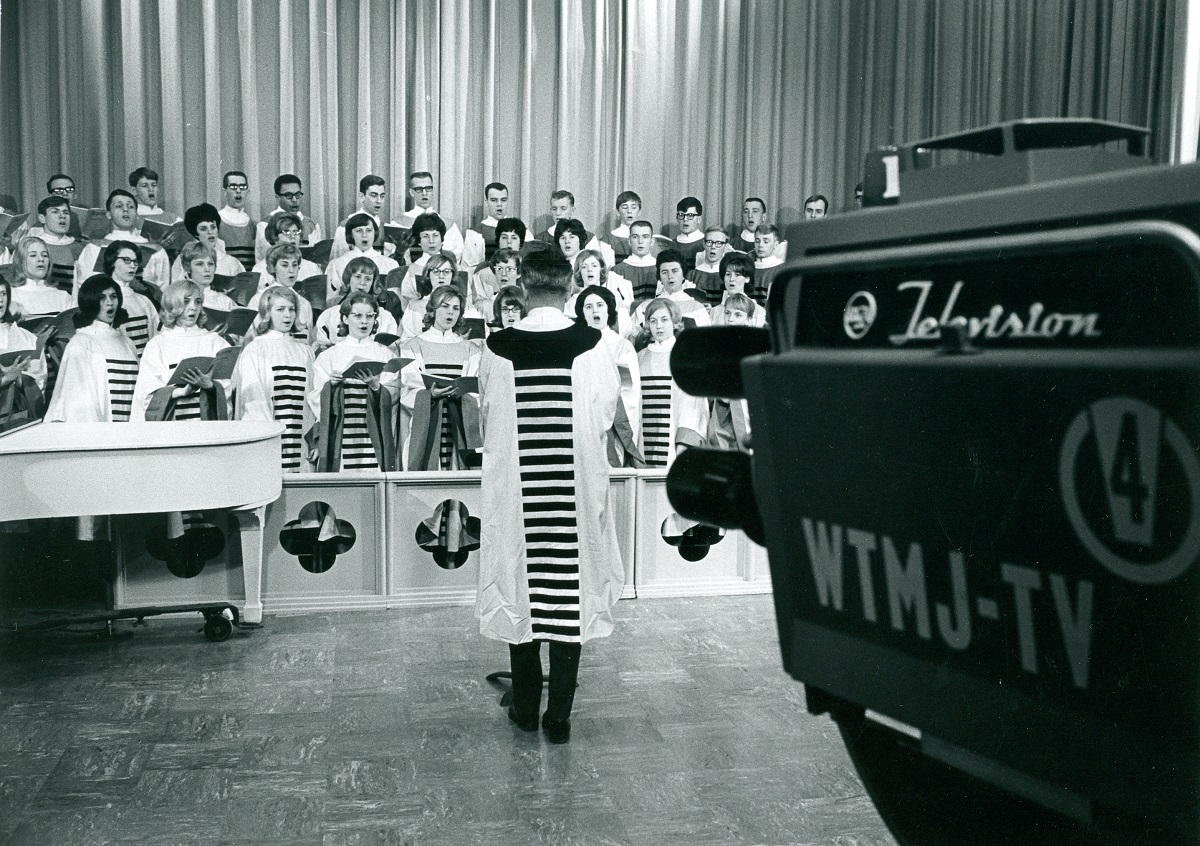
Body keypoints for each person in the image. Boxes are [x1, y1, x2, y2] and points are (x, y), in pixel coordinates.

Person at [476, 249, 623, 744]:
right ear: (568, 288)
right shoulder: (596, 342)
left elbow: (489, 416)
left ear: (523, 285)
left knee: (522, 593)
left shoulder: (497, 345)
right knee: (569, 594)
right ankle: (558, 716)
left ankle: (525, 709)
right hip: (572, 492)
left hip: (520, 493)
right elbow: (604, 415)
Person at [308, 292, 399, 472]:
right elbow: (315, 397)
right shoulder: (329, 355)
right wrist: (331, 387)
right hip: (342, 434)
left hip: (372, 436)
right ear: (345, 318)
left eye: (369, 316)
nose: (364, 322)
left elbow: (394, 393)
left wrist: (376, 387)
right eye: (357, 315)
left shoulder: (385, 354)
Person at [398, 285, 482, 471]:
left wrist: (463, 392)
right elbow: (409, 388)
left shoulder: (471, 349)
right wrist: (429, 394)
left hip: (458, 423)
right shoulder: (412, 346)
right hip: (428, 422)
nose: (450, 313)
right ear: (433, 309)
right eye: (445, 306)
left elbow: (475, 390)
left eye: (456, 308)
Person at [232, 286, 315, 472]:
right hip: (270, 445)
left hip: (301, 444)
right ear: (267, 312)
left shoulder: (305, 351)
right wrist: (270, 439)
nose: (288, 315)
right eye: (280, 309)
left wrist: (314, 440)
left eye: (292, 309)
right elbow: (253, 402)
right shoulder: (255, 350)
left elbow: (312, 399)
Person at [45, 274, 139, 424]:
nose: (110, 303)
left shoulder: (127, 343)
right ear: (90, 302)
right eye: (102, 298)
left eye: (113, 296)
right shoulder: (81, 343)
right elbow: (79, 405)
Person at [132, 280, 230, 422]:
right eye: (186, 301)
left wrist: (210, 386)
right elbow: (146, 393)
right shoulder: (158, 345)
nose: (193, 307)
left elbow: (229, 386)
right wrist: (179, 392)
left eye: (198, 301)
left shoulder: (216, 342)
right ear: (172, 305)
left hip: (206, 426)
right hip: (171, 427)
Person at [636, 297, 709, 468]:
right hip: (643, 442)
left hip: (675, 446)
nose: (658, 326)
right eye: (653, 321)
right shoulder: (639, 358)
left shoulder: (686, 357)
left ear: (675, 322)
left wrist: (683, 444)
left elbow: (693, 406)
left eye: (664, 319)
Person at [574, 284, 641, 467]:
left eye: (600, 305)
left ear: (609, 310)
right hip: (582, 422)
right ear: (582, 313)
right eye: (588, 307)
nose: (594, 310)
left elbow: (629, 392)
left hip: (612, 425)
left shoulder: (622, 346)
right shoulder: (576, 346)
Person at [74, 190, 171, 299]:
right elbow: (84, 286)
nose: (125, 209)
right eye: (119, 206)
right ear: (109, 214)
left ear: (137, 215)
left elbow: (164, 289)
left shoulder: (155, 250)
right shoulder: (94, 247)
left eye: (130, 207)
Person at [314, 256, 400, 350]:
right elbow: (320, 348)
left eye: (368, 279)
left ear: (373, 283)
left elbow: (392, 351)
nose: (362, 283)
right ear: (348, 279)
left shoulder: (385, 317)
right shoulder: (329, 315)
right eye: (358, 277)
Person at [100, 241, 159, 357]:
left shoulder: (144, 300)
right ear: (112, 262)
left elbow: (155, 336)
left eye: (135, 261)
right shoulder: (103, 299)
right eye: (126, 260)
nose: (132, 265)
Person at [630, 248, 709, 335]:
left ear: (683, 275)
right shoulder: (645, 306)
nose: (670, 276)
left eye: (675, 271)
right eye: (664, 272)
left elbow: (704, 339)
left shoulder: (697, 308)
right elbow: (634, 335)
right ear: (659, 277)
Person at [246, 244, 316, 341]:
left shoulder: (304, 303)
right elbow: (250, 337)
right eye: (285, 265)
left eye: (294, 265)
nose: (291, 270)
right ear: (273, 268)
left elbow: (308, 340)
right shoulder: (258, 299)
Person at [324, 213, 400, 302]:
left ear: (375, 233)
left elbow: (395, 302)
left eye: (369, 230)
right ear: (351, 234)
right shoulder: (337, 264)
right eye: (359, 231)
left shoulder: (390, 264)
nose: (364, 235)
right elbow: (331, 300)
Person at [393, 172, 465, 260]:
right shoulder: (398, 223)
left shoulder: (449, 225)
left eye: (428, 188)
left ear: (433, 190)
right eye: (419, 189)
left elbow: (456, 254)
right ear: (411, 192)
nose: (424, 193)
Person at [254, 174, 322, 262]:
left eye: (297, 195)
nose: (294, 200)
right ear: (277, 197)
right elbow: (263, 259)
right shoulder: (265, 225)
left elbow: (317, 257)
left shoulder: (311, 225)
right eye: (288, 195)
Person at [564, 249, 632, 336]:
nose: (589, 270)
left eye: (594, 266)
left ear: (601, 269)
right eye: (584, 267)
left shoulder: (614, 298)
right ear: (579, 272)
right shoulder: (571, 302)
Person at [0, 276, 47, 402]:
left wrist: (20, 379)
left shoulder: (25, 335)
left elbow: (40, 378)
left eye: (3, 294)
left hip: (19, 411)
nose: (0, 300)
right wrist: (5, 380)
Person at [170, 203, 246, 282]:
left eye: (213, 227)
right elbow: (177, 289)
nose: (210, 232)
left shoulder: (231, 262)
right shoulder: (184, 258)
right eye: (203, 229)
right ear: (195, 233)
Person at [398, 252, 458, 343]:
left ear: (452, 275)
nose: (441, 276)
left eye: (446, 272)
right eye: (436, 271)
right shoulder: (414, 306)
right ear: (428, 275)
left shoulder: (464, 305)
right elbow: (406, 340)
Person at [250, 214, 323, 288]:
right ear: (274, 237)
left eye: (296, 232)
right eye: (286, 232)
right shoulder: (260, 269)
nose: (292, 236)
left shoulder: (312, 268)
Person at [329, 175, 390, 263]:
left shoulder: (384, 227)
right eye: (373, 195)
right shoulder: (346, 226)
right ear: (362, 196)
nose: (379, 201)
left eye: (382, 196)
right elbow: (338, 261)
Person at [9, 236, 72, 317]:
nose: (41, 259)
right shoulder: (11, 295)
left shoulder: (63, 297)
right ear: (20, 261)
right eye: (33, 255)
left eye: (45, 255)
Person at [33, 195, 84, 293]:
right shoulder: (32, 246)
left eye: (66, 212)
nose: (62, 216)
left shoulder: (80, 248)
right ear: (42, 218)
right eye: (55, 212)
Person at [178, 242, 236, 311]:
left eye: (210, 264)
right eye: (199, 264)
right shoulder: (178, 298)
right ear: (187, 267)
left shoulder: (225, 301)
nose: (207, 269)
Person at [611, 220, 659, 302]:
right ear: (629, 241)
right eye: (635, 237)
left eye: (645, 237)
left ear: (652, 241)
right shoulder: (616, 271)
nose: (640, 241)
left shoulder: (661, 269)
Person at [218, 171, 257, 269]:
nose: (238, 190)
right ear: (224, 191)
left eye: (242, 187)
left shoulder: (253, 225)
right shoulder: (216, 221)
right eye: (233, 187)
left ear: (247, 192)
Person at [711, 253, 766, 323]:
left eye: (737, 274)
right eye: (728, 274)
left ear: (747, 278)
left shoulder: (758, 311)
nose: (731, 279)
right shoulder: (715, 311)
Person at [469, 247, 519, 318]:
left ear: (518, 273)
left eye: (509, 269)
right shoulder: (486, 304)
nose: (503, 273)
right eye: (499, 269)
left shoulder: (524, 301)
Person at [687, 226, 729, 305]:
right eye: (709, 242)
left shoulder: (728, 275)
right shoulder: (693, 275)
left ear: (725, 246)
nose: (713, 247)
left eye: (718, 243)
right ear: (704, 244)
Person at [600, 190, 642, 265]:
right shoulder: (608, 240)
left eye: (633, 207)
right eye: (625, 207)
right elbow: (609, 270)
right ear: (618, 212)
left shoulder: (647, 238)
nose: (629, 211)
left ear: (639, 212)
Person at [753, 224, 786, 296]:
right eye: (757, 241)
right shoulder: (749, 266)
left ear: (776, 244)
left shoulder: (781, 269)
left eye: (766, 241)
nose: (760, 245)